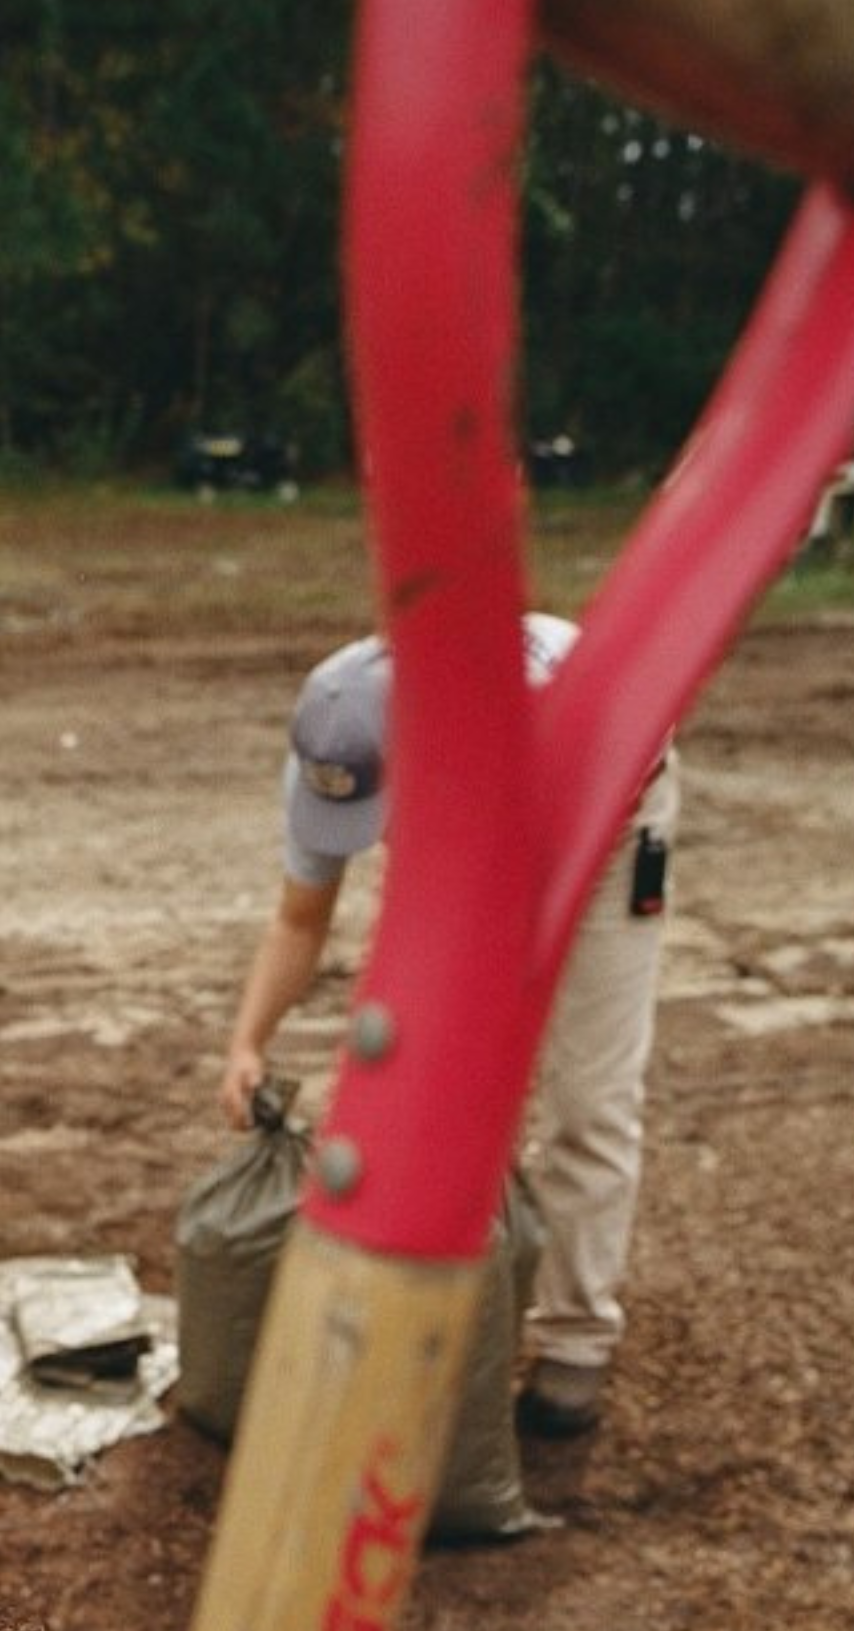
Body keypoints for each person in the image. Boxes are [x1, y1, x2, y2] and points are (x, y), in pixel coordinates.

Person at [218, 613, 680, 1438]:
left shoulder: (525, 732)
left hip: (608, 803)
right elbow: (299, 919)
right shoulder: (336, 749)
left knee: (588, 1092)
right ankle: (452, 1317)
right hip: (474, 810)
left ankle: (575, 1338)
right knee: (444, 1078)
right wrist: (247, 1038)